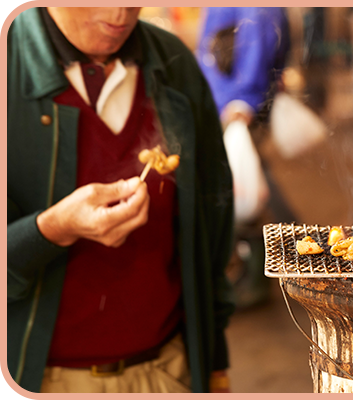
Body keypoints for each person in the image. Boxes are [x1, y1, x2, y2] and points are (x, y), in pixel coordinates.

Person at [7, 7, 235, 393]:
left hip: (168, 371)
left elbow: (213, 223)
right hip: (38, 378)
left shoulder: (172, 61)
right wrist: (51, 230)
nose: (120, 13)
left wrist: (214, 363)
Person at [196, 7, 294, 308]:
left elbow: (257, 43)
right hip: (226, 103)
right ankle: (263, 266)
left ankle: (259, 277)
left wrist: (243, 101)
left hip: (237, 107)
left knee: (245, 189)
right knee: (249, 180)